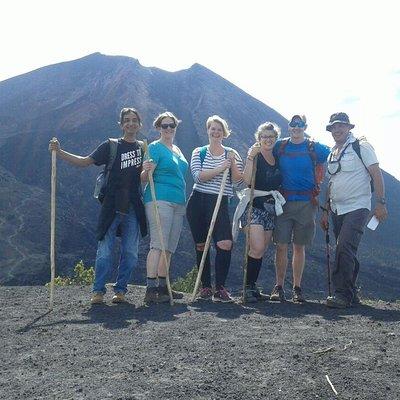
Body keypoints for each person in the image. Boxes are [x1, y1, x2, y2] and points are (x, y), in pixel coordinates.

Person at [48, 107, 149, 305]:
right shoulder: (111, 146)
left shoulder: (143, 148)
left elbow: (143, 178)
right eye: (126, 120)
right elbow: (85, 161)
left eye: (134, 120)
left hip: (133, 207)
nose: (130, 123)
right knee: (105, 251)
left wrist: (149, 170)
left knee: (130, 253)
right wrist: (59, 152)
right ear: (121, 124)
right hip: (111, 206)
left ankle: (120, 290)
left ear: (139, 124)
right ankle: (98, 291)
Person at [321, 112, 388, 308]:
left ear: (349, 127)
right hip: (336, 208)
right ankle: (350, 292)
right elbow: (330, 182)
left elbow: (376, 173)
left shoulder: (361, 146)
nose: (337, 129)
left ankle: (342, 294)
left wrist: (381, 203)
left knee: (344, 247)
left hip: (357, 206)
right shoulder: (332, 152)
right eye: (334, 127)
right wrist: (325, 210)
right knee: (346, 249)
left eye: (341, 126)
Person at [271, 114, 330, 303]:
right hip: (284, 202)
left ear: (305, 126)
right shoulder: (280, 146)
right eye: (293, 124)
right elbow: (264, 152)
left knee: (299, 247)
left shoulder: (314, 147)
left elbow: (333, 153)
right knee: (280, 245)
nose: (296, 128)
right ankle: (279, 287)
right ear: (289, 127)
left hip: (306, 203)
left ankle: (297, 288)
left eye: (300, 125)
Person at [186, 115, 243, 302]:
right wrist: (221, 167)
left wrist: (231, 163)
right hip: (198, 202)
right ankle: (205, 287)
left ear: (224, 133)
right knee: (201, 245)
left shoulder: (231, 153)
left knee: (224, 243)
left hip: (220, 203)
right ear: (208, 130)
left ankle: (220, 287)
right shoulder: (199, 152)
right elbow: (198, 176)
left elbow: (237, 180)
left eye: (219, 129)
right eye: (213, 128)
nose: (216, 132)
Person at [232, 122, 284, 302]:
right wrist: (249, 157)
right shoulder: (255, 156)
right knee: (257, 246)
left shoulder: (277, 156)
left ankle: (252, 286)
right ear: (259, 139)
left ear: (275, 138)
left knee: (260, 250)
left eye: (271, 136)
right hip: (254, 206)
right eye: (265, 137)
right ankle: (246, 287)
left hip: (269, 208)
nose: (268, 140)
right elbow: (246, 180)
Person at [141, 111, 188, 304]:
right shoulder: (155, 147)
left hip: (178, 201)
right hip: (159, 198)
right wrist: (146, 170)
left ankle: (163, 287)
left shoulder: (176, 149)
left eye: (171, 125)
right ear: (158, 128)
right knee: (158, 244)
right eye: (164, 126)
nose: (168, 129)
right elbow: (143, 177)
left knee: (169, 247)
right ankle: (151, 289)